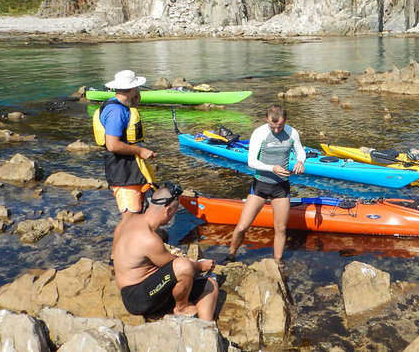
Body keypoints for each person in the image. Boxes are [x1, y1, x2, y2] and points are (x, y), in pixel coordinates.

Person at [112, 183, 218, 320]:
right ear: (168, 211)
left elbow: (114, 256)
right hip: (139, 299)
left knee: (210, 285)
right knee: (184, 266)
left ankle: (206, 327)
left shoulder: (126, 222)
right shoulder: (149, 238)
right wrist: (200, 265)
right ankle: (182, 307)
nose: (171, 218)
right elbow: (180, 267)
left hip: (143, 290)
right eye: (173, 213)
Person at [228, 104, 306, 265]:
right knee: (242, 227)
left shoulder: (292, 132)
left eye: (280, 126)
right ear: (267, 120)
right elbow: (251, 162)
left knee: (281, 229)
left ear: (285, 121)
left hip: (281, 188)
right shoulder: (260, 133)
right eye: (273, 126)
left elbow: (301, 151)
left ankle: (278, 262)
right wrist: (273, 168)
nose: (276, 130)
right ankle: (231, 255)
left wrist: (300, 161)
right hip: (260, 186)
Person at [92, 70, 157, 220]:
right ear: (133, 88)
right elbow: (112, 145)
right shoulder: (116, 111)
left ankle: (137, 242)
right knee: (130, 218)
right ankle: (124, 243)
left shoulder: (121, 106)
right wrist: (140, 151)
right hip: (123, 170)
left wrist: (134, 104)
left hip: (131, 168)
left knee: (139, 212)